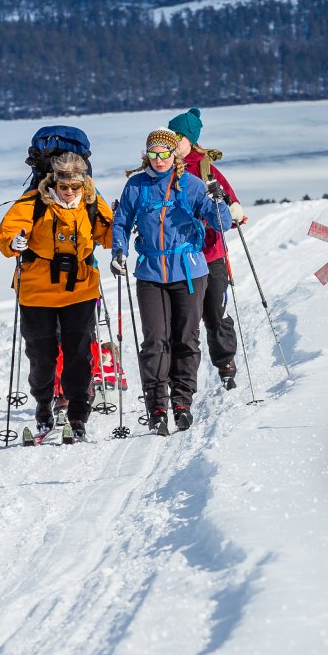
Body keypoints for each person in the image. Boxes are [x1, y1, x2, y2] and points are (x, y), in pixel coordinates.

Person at [112, 128, 232, 433]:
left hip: (189, 272)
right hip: (151, 273)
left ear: (172, 154)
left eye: (164, 153)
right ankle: (156, 407)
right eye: (153, 154)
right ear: (147, 155)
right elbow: (122, 222)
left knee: (186, 339)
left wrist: (218, 201)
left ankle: (182, 402)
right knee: (154, 341)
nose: (159, 159)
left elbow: (222, 223)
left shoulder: (191, 184)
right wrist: (119, 251)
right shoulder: (136, 185)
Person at [0, 146, 114, 442]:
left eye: (75, 186)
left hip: (79, 288)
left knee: (79, 352)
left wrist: (122, 223)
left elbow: (109, 236)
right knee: (41, 355)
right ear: (54, 182)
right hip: (37, 289)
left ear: (83, 182)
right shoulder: (34, 202)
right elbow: (6, 233)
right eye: (64, 186)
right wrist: (14, 242)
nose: (69, 192)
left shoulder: (92, 202)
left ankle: (78, 412)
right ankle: (43, 404)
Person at [166, 107, 249, 390]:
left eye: (177, 136)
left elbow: (230, 202)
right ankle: (179, 373)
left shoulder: (206, 168)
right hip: (177, 255)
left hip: (210, 252)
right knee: (181, 318)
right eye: (170, 134)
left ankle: (225, 362)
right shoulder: (162, 166)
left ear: (189, 139)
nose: (172, 140)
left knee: (214, 310)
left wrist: (232, 209)